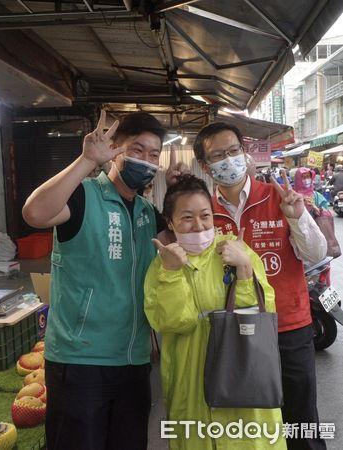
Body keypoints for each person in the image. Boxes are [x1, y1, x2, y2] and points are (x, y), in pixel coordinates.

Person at [22, 111, 166, 450]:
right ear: (115, 149)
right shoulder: (83, 196)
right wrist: (86, 161)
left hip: (134, 360)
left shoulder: (148, 213)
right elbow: (35, 213)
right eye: (137, 150)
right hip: (80, 362)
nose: (146, 160)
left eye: (154, 154)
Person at [192, 122, 327, 450]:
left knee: (301, 422)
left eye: (233, 151)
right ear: (205, 166)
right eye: (218, 155)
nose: (229, 160)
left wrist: (296, 218)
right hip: (236, 334)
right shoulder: (203, 213)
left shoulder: (279, 197)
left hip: (288, 327)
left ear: (245, 153)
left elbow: (316, 253)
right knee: (253, 425)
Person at [144, 175, 286, 450]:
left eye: (205, 215)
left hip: (244, 374)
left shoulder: (235, 250)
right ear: (170, 222)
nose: (198, 225)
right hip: (191, 378)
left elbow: (264, 310)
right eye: (187, 217)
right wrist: (171, 273)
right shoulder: (162, 265)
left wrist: (244, 268)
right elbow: (174, 322)